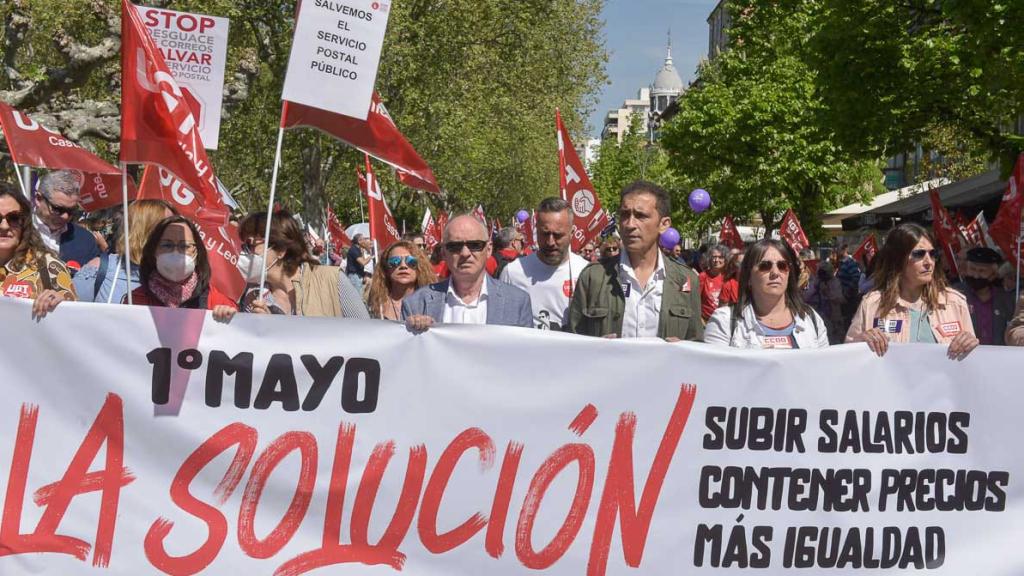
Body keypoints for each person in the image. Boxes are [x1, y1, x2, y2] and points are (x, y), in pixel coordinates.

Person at [567, 180, 703, 341]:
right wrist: (596, 349)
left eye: (640, 216)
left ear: (663, 224)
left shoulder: (685, 280)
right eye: (625, 215)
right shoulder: (594, 277)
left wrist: (682, 350)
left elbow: (696, 343)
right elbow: (573, 343)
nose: (630, 224)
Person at [846, 223, 978, 360]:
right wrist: (862, 341)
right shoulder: (872, 304)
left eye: (933, 254)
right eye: (919, 254)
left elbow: (971, 361)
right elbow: (848, 357)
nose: (929, 262)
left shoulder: (954, 302)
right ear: (898, 259)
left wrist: (970, 343)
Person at [403, 214, 533, 330]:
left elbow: (524, 355)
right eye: (455, 246)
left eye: (475, 245)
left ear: (488, 250)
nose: (465, 253)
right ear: (443, 252)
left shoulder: (518, 302)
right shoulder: (416, 304)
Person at [237, 211, 370, 318]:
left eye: (250, 244)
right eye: (244, 246)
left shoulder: (332, 281)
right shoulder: (252, 296)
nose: (244, 252)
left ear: (281, 250)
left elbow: (365, 334)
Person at [704, 239, 829, 348]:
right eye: (765, 266)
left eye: (782, 266)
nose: (775, 272)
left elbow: (822, 370)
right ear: (748, 277)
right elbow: (715, 372)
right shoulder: (724, 322)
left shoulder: (811, 319)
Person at [500, 198, 589, 330]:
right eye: (545, 234)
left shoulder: (586, 272)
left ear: (571, 234)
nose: (550, 242)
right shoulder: (512, 273)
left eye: (558, 235)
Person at [126, 216, 237, 318]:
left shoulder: (218, 303)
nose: (175, 252)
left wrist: (231, 319)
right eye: (167, 245)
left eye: (184, 246)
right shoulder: (134, 301)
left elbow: (238, 335)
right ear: (154, 251)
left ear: (196, 251)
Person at [74, 200, 175, 303]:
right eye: (169, 227)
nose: (177, 232)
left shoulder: (181, 277)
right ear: (143, 230)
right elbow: (69, 314)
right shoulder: (101, 269)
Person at [0, 184, 75, 318]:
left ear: (25, 222)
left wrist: (62, 305)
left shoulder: (48, 267)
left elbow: (77, 322)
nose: (4, 226)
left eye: (14, 218)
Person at [33, 169, 100, 274]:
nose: (65, 216)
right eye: (58, 209)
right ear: (38, 199)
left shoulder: (85, 240)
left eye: (71, 211)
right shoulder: (16, 232)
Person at [951, 247, 1016, 345]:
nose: (976, 276)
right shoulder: (955, 295)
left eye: (982, 271)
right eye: (972, 269)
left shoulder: (1007, 299)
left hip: (999, 356)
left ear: (993, 274)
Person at [366, 240, 436, 320]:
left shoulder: (432, 302)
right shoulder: (377, 304)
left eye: (411, 261)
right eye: (395, 261)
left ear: (420, 268)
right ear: (386, 269)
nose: (403, 266)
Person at [698, 244, 728, 321]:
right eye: (714, 257)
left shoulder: (729, 277)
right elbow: (695, 300)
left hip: (725, 321)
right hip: (706, 322)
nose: (716, 260)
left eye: (720, 257)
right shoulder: (703, 277)